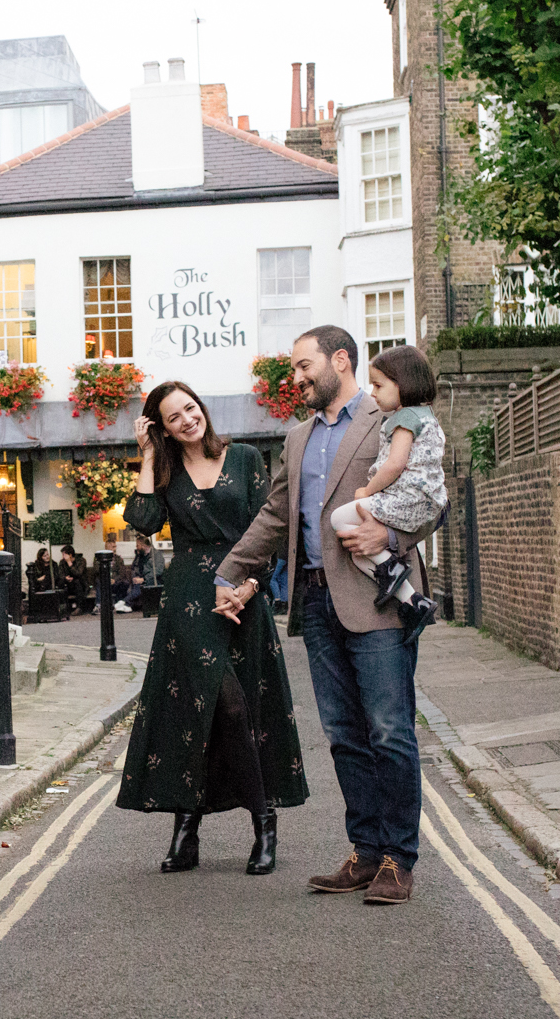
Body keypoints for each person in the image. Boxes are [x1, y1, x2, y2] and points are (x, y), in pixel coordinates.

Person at [214, 325, 437, 906]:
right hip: (315, 602)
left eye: (303, 365)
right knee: (342, 736)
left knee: (389, 731)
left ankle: (398, 859)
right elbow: (275, 514)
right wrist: (230, 572)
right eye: (293, 368)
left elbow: (431, 495)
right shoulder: (296, 438)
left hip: (376, 597)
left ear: (341, 360)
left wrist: (387, 530)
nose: (297, 376)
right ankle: (364, 854)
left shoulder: (390, 418)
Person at [116, 380, 309, 875]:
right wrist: (145, 455)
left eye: (190, 407)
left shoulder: (244, 457)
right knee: (208, 707)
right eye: (173, 417)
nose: (187, 419)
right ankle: (187, 829)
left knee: (241, 708)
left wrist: (249, 587)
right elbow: (140, 519)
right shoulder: (164, 468)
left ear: (201, 407)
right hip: (189, 603)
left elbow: (271, 527)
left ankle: (263, 824)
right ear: (162, 427)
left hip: (243, 596)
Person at [328, 344, 445, 640]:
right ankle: (414, 602)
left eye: (379, 384)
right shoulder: (427, 416)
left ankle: (394, 575)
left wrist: (367, 490)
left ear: (403, 384)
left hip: (406, 499)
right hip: (425, 501)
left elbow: (394, 465)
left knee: (340, 518)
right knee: (358, 555)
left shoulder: (404, 420)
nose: (373, 391)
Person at [117, 535, 154, 613]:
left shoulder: (154, 555)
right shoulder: (140, 556)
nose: (136, 547)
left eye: (138, 545)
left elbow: (156, 571)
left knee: (138, 587)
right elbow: (135, 568)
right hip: (140, 579)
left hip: (150, 580)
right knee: (135, 585)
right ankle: (127, 605)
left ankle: (124, 602)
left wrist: (143, 579)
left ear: (143, 545)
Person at [59, 544, 93, 615]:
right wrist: (66, 578)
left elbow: (79, 573)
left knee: (77, 582)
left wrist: (69, 563)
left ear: (70, 555)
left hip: (82, 585)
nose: (63, 557)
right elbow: (60, 574)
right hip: (69, 584)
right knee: (60, 583)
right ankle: (64, 607)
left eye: (64, 555)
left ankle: (79, 608)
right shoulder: (62, 562)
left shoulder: (81, 560)